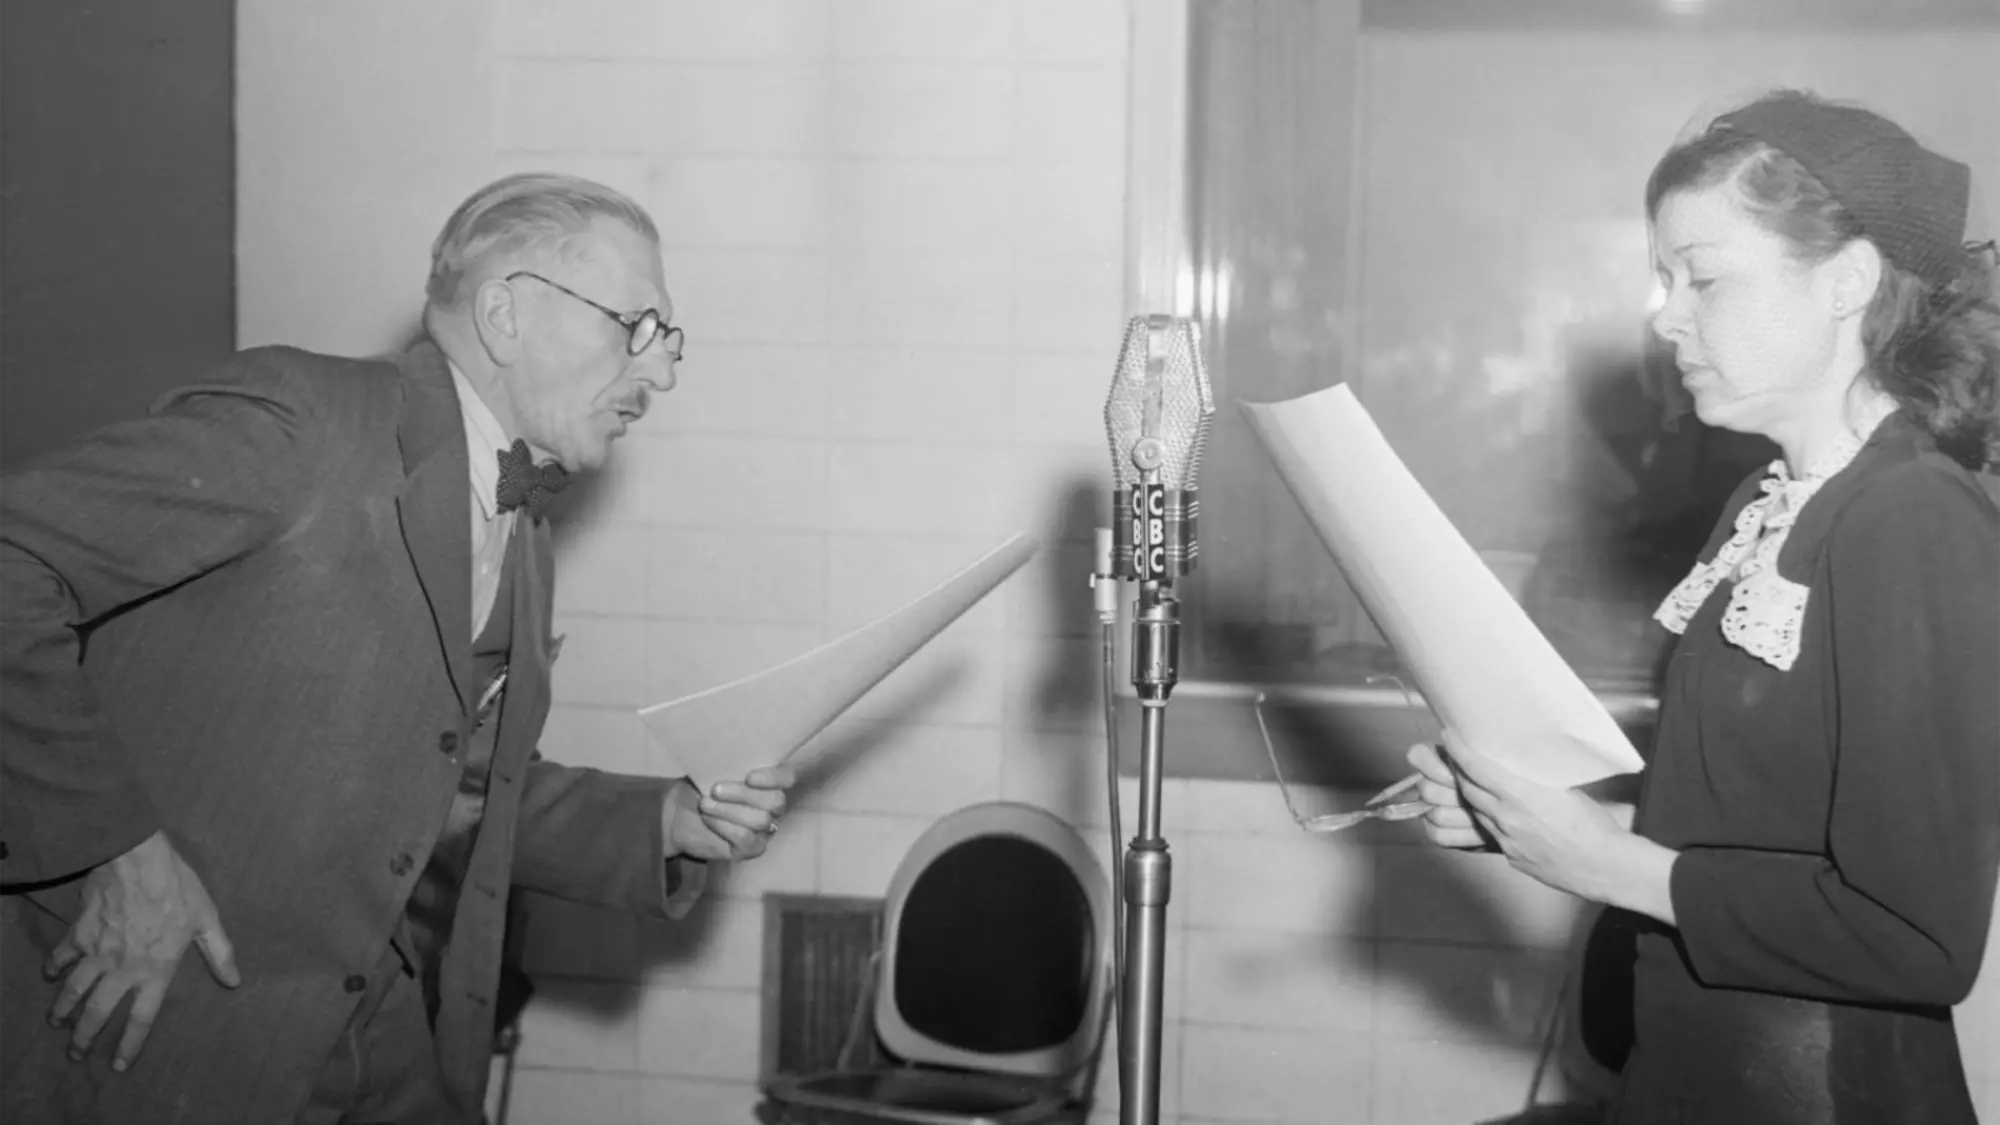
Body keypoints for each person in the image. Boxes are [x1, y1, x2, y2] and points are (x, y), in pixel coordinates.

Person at [0, 173, 797, 1124]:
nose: (661, 374)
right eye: (637, 327)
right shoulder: (306, 419)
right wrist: (115, 850)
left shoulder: (522, 525)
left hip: (370, 1041)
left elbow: (447, 787)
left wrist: (666, 822)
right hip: (164, 1032)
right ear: (506, 311)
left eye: (670, 342)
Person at [1408, 90, 2000, 1123]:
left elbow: (1916, 937)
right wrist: (1553, 826)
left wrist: (1614, 865)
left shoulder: (1911, 518)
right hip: (1700, 1078)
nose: (1663, 314)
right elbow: (1768, 830)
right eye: (1662, 279)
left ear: (1845, 283)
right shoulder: (1762, 506)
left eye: (1704, 277)